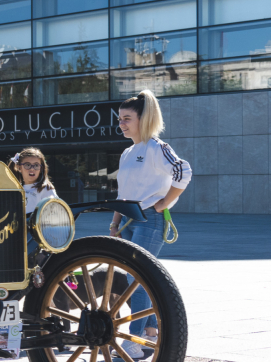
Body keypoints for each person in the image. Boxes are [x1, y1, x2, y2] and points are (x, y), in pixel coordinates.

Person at [110, 90, 191, 359]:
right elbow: (123, 192)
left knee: (138, 278)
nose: (121, 124)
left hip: (151, 219)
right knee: (135, 277)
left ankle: (134, 340)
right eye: (120, 119)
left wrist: (164, 202)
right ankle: (151, 333)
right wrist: (115, 222)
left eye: (127, 119)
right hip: (128, 221)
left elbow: (183, 171)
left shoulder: (157, 148)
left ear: (143, 119)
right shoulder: (127, 153)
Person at [10, 148, 57, 214]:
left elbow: (54, 213)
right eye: (27, 165)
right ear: (19, 168)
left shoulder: (46, 189)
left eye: (36, 165)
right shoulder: (15, 190)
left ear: (41, 168)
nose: (32, 168)